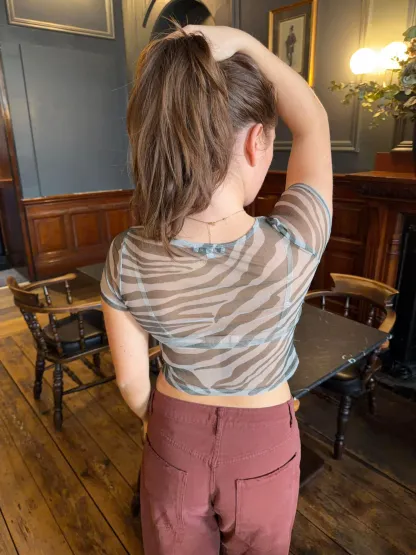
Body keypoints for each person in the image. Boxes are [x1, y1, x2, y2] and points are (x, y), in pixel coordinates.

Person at [101, 25, 332, 555]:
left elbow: (132, 383)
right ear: (257, 142)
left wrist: (163, 428)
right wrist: (247, 44)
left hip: (172, 434)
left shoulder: (127, 254)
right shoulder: (295, 242)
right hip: (266, 440)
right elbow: (314, 124)